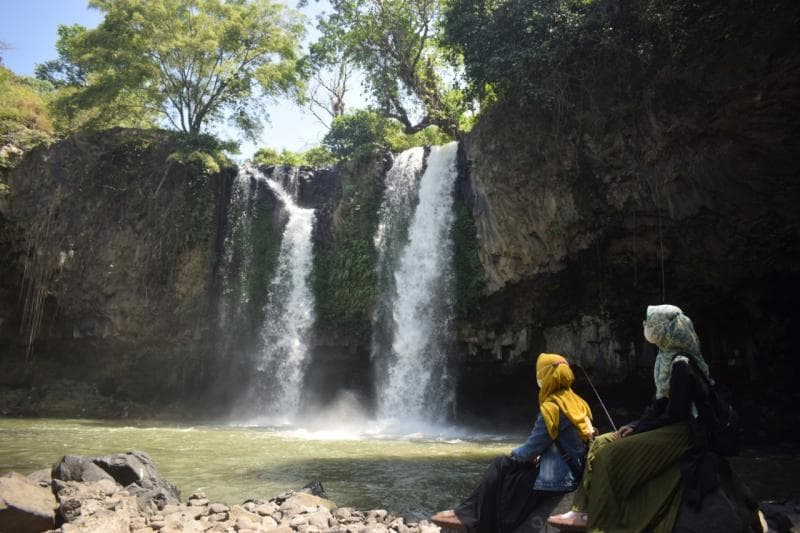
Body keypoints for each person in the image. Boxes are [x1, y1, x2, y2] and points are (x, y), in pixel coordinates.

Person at [547, 304, 760, 532]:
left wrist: (641, 429)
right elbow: (658, 405)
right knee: (599, 443)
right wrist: (636, 424)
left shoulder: (682, 365)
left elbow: (676, 413)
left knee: (610, 454)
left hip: (684, 431)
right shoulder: (664, 359)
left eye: (651, 324)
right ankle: (580, 510)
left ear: (664, 329)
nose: (647, 328)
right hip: (667, 424)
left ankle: (603, 521)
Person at [432, 353, 595, 532]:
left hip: (556, 479)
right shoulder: (579, 403)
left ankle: (469, 516)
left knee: (501, 464)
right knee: (509, 468)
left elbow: (531, 449)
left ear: (546, 376)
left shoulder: (552, 407)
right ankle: (469, 513)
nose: (538, 378)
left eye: (540, 373)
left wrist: (514, 454)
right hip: (575, 473)